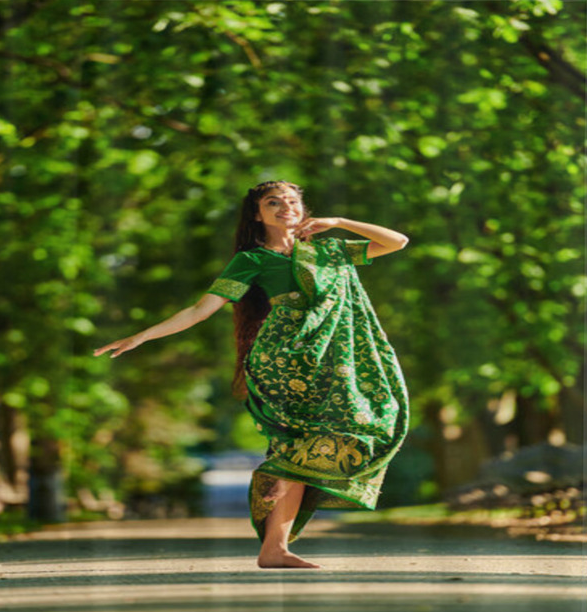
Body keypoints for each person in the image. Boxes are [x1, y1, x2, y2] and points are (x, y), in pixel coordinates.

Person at [94, 181, 410, 569]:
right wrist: (142, 336)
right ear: (257, 214)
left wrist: (340, 221)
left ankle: (274, 547)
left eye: (292, 201)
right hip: (284, 361)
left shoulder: (331, 251)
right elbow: (199, 310)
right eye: (272, 202)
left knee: (350, 428)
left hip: (334, 361)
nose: (284, 207)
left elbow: (398, 241)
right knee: (295, 448)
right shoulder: (252, 259)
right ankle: (275, 545)